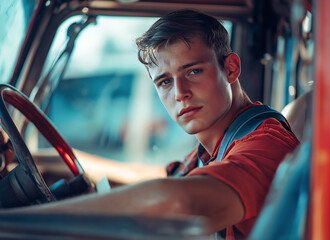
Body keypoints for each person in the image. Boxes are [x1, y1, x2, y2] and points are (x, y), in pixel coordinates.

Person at [15, 9, 299, 239]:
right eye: (164, 81)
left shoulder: (265, 144)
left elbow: (182, 202)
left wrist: (18, 223)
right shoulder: (214, 146)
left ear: (231, 68)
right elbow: (156, 181)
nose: (179, 93)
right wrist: (46, 160)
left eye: (194, 71)